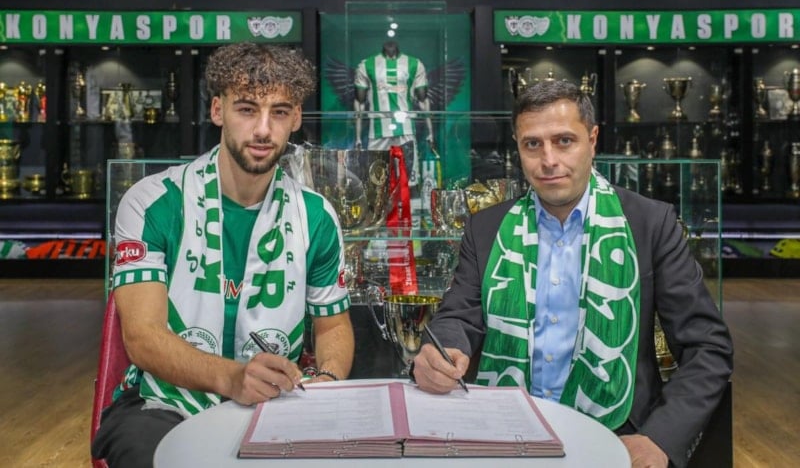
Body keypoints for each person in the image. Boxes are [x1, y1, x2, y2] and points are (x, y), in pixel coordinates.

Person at [411, 79, 733, 468]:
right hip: (505, 433)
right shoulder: (486, 228)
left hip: (617, 434)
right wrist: (440, 350)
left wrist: (659, 438)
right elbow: (458, 314)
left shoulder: (651, 223)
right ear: (517, 147)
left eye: (564, 141)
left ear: (592, 140)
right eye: (533, 144)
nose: (548, 160)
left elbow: (708, 348)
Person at [91, 43, 355, 468]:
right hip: (162, 402)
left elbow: (334, 327)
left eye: (279, 112)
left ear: (296, 119)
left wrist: (326, 381)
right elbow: (142, 337)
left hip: (275, 403)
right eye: (247, 109)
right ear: (218, 110)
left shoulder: (316, 215)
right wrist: (233, 378)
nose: (263, 130)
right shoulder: (152, 201)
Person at [353, 40, 434, 187]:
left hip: (405, 130)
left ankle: (407, 202)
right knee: (376, 181)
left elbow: (423, 100)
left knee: (408, 181)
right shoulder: (367, 65)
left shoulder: (414, 64)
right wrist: (357, 137)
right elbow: (359, 102)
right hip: (378, 131)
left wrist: (430, 132)